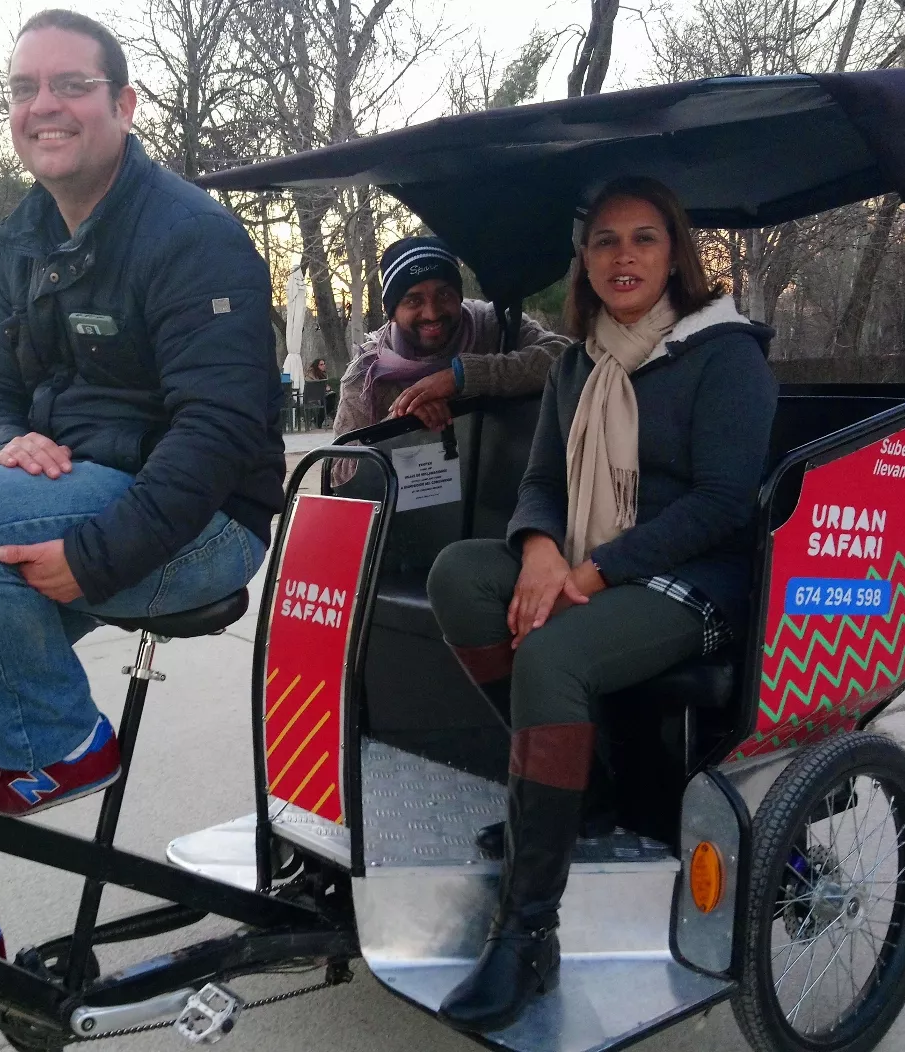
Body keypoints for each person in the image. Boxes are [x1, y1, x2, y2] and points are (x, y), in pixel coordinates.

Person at [0, 9, 283, 1005]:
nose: (44, 106)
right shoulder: (28, 232)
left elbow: (220, 433)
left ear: (123, 103)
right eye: (25, 89)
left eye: (70, 85)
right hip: (83, 501)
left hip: (198, 522)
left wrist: (99, 555)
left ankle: (57, 740)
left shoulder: (190, 233)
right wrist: (1, 438)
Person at [423, 178, 777, 1032]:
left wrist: (591, 574)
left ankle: (528, 927)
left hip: (697, 578)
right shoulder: (579, 361)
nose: (623, 257)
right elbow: (543, 481)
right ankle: (581, 793)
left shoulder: (724, 353)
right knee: (460, 577)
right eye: (605, 241)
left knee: (553, 650)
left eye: (643, 239)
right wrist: (542, 550)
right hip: (593, 557)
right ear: (583, 260)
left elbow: (726, 502)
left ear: (674, 253)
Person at [333, 236, 568, 436]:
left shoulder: (495, 324)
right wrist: (401, 425)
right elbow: (338, 472)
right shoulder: (366, 374)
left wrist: (461, 376)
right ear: (392, 312)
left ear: (459, 296)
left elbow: (565, 356)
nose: (432, 313)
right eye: (414, 300)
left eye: (444, 295)